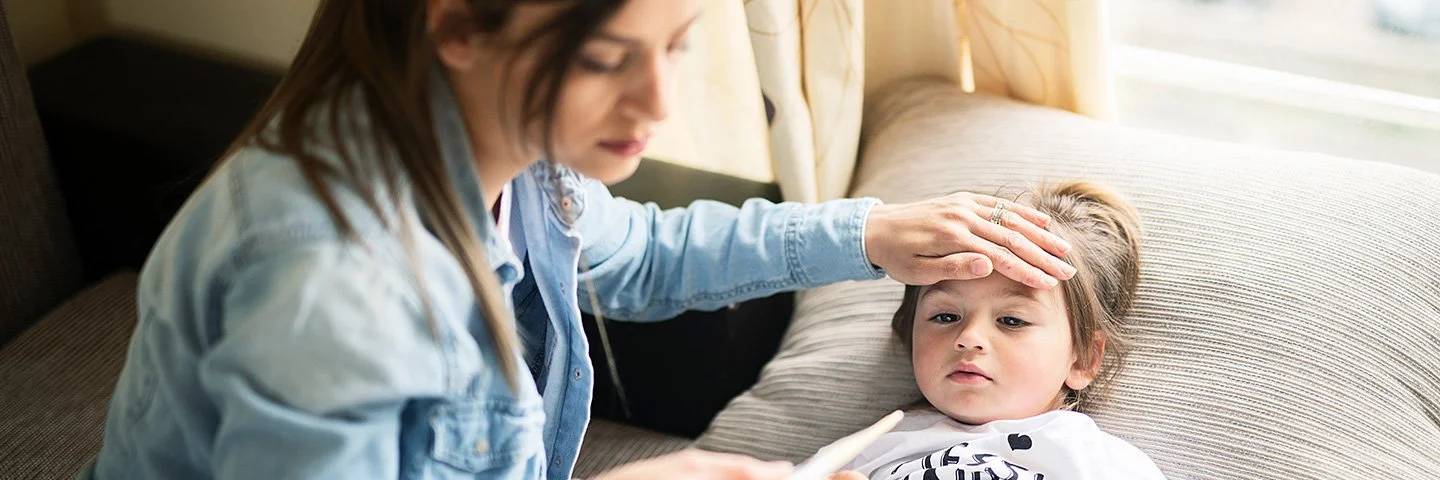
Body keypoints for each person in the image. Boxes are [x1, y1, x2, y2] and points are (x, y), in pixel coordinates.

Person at [86, 0, 1076, 479]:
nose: (658, 102)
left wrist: (870, 232)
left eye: (679, 43)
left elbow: (637, 259)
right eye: (609, 61)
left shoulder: (519, 152)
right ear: (459, 26)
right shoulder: (331, 281)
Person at [836, 182, 1166, 480]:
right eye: (946, 316)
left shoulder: (1104, 463)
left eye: (1012, 321)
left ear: (1083, 360)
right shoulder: (865, 451)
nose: (969, 337)